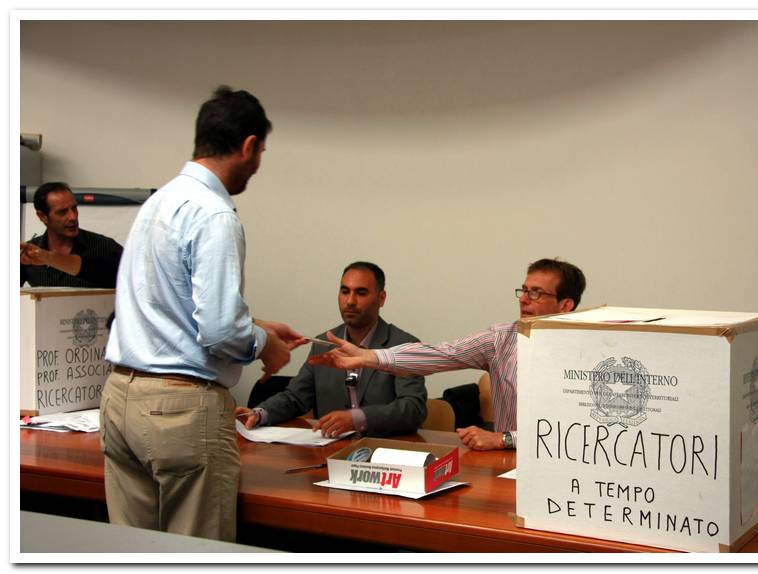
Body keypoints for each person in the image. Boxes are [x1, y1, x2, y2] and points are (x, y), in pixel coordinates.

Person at [101, 86, 304, 542]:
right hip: (178, 410)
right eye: (261, 152)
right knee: (195, 556)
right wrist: (264, 345)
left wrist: (257, 326)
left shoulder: (158, 202)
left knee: (131, 554)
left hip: (120, 398)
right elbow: (219, 330)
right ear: (248, 146)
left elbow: (166, 307)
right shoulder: (215, 215)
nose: (258, 165)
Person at [310, 258, 586, 452]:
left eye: (536, 293)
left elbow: (581, 434)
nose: (523, 299)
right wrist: (370, 357)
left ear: (565, 305)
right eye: (524, 290)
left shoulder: (590, 354)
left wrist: (504, 439)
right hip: (508, 466)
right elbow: (442, 354)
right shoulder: (502, 340)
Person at [236, 262, 427, 438]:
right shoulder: (323, 343)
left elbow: (413, 409)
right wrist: (259, 413)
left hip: (383, 450)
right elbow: (296, 397)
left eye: (361, 293)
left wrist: (357, 418)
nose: (350, 301)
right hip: (329, 449)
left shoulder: (404, 345)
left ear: (381, 298)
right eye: (345, 291)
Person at [20, 181, 123, 287]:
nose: (73, 217)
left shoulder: (105, 247)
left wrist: (48, 257)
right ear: (42, 216)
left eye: (74, 208)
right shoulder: (28, 254)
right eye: (62, 212)